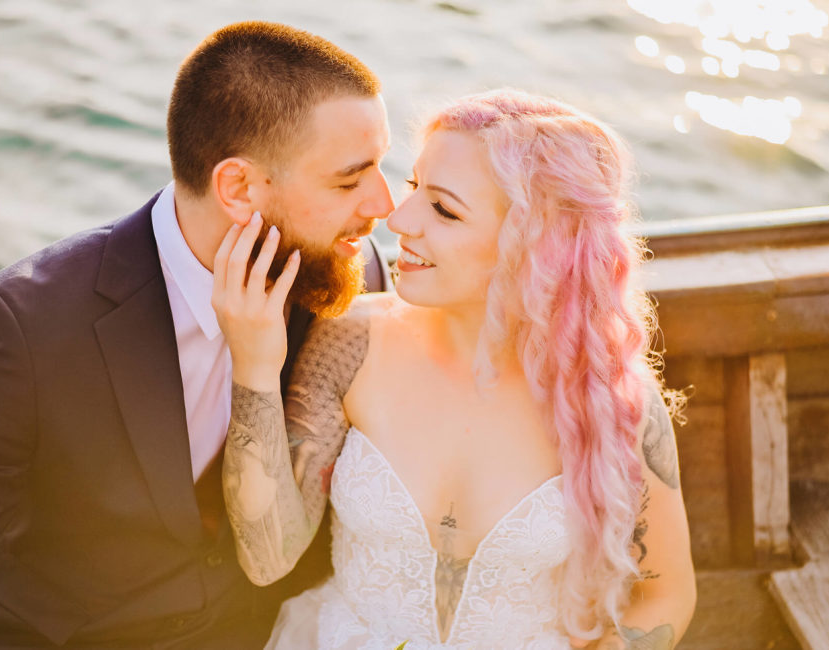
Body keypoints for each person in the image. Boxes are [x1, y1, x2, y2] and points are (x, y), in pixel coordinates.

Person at [0, 21, 393, 648]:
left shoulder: (349, 275)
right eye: (348, 180)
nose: (383, 204)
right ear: (238, 188)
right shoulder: (32, 321)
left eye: (382, 169)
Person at [215, 89, 697, 649]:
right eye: (415, 185)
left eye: (443, 209)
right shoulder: (350, 341)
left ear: (531, 246)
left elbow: (666, 595)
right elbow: (267, 557)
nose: (398, 218)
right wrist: (253, 366)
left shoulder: (611, 399)